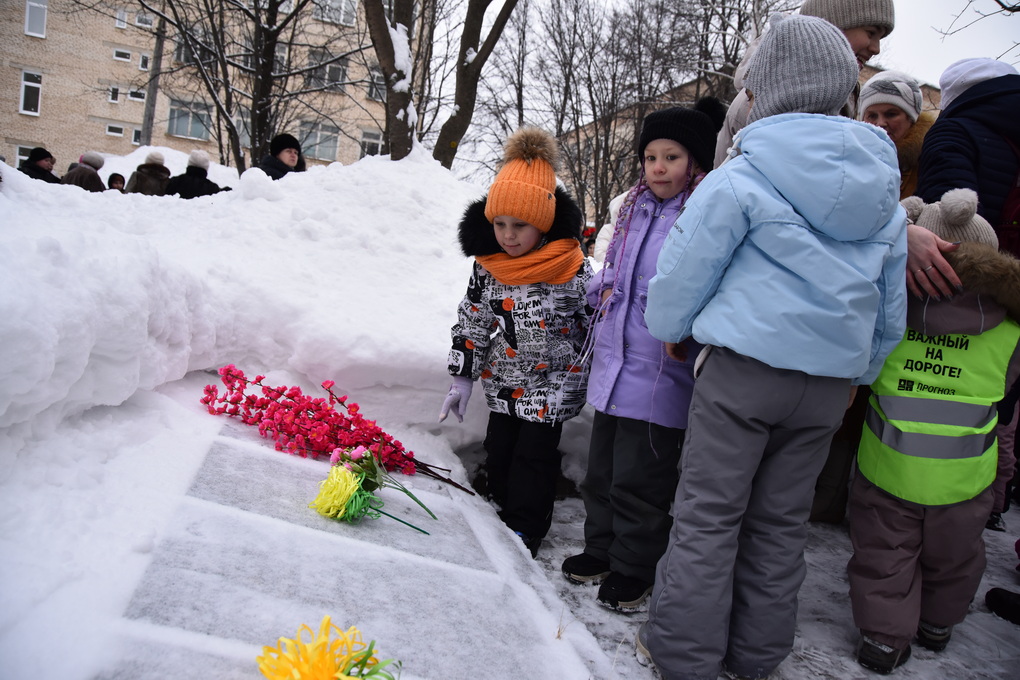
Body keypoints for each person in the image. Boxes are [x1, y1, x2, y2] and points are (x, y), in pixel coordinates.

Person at [635, 15, 907, 680]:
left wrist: (672, 328)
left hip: (743, 374)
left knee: (708, 515)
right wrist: (862, 372)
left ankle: (684, 654)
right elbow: (888, 305)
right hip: (826, 388)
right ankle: (757, 655)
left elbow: (684, 272)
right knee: (782, 523)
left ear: (767, 92)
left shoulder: (741, 176)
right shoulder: (884, 191)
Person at [560, 98, 725, 612]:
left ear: (696, 162)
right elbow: (617, 267)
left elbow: (700, 284)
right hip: (616, 363)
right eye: (651, 157)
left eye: (671, 157)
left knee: (641, 480)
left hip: (662, 372)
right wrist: (600, 289)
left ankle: (634, 566)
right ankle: (600, 549)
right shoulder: (635, 208)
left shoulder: (701, 214)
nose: (658, 167)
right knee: (602, 474)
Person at [848, 189, 1020, 674]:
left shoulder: (889, 311)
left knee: (885, 552)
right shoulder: (1010, 332)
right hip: (966, 476)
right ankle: (937, 624)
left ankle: (883, 639)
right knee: (956, 556)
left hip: (888, 466)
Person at [439, 126, 592, 558]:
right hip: (504, 379)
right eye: (500, 224)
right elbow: (473, 318)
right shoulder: (489, 266)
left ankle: (526, 528)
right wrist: (462, 377)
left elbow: (594, 322)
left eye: (519, 226)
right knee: (501, 449)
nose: (508, 236)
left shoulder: (570, 267)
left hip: (553, 382)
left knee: (534, 456)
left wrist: (593, 368)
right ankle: (498, 509)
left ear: (542, 223)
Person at [914, 58, 1020, 533]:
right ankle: (976, 514)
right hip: (1013, 300)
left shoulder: (954, 132)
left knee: (928, 407)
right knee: (995, 412)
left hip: (955, 291)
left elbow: (946, 224)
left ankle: (911, 508)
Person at [714, 0, 896, 167]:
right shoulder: (760, 100)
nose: (876, 49)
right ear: (831, 25)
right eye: (871, 33)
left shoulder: (844, 94)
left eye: (880, 38)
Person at [859, 70, 936, 199]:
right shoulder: (850, 157)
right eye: (872, 115)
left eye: (891, 114)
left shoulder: (929, 162)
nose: (880, 123)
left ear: (911, 118)